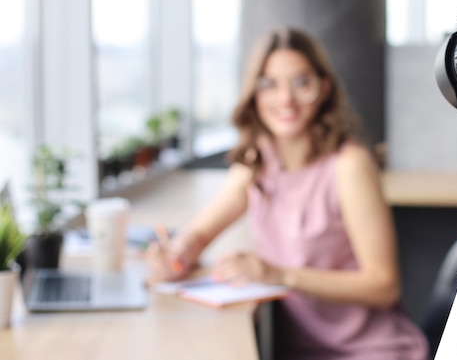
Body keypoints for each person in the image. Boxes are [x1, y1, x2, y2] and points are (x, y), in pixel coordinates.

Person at [146, 26, 429, 360]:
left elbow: (384, 286)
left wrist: (277, 274)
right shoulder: (257, 164)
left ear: (323, 89)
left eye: (301, 82)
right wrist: (175, 256)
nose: (285, 99)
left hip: (369, 350)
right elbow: (198, 235)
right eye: (269, 84)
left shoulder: (349, 165)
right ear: (254, 92)